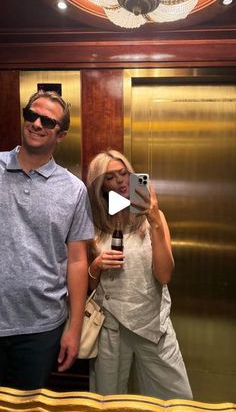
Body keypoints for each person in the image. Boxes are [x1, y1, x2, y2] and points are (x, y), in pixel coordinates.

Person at [0, 90, 94, 389]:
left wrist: (75, 329)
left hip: (41, 328)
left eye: (48, 121)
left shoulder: (73, 189)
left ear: (61, 134)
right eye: (32, 115)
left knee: (27, 405)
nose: (37, 124)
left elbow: (78, 261)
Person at [86, 149, 192, 400]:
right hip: (110, 325)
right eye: (110, 177)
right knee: (108, 400)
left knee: (176, 399)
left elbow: (164, 276)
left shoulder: (153, 219)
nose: (121, 181)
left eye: (124, 173)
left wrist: (154, 219)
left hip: (152, 323)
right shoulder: (94, 225)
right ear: (101, 186)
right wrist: (97, 265)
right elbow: (89, 285)